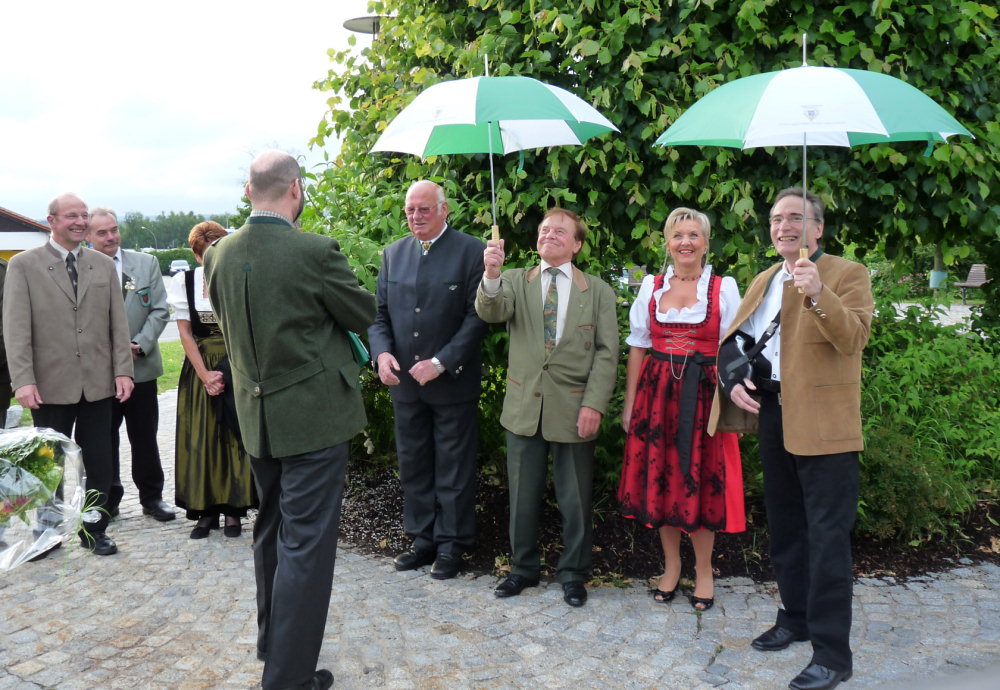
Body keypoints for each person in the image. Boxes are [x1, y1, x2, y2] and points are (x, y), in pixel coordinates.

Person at [205, 150, 375, 690]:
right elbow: (362, 313)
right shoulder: (315, 251)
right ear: (295, 188)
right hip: (314, 421)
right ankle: (287, 678)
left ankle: (272, 645)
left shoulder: (219, 254)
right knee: (306, 546)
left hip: (258, 421)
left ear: (250, 191)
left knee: (271, 533)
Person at [709, 187, 873, 690]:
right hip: (776, 413)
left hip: (826, 423)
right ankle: (796, 617)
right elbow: (736, 340)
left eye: (796, 219)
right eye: (777, 218)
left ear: (817, 229)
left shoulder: (847, 274)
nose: (784, 226)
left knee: (826, 536)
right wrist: (733, 379)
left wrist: (818, 293)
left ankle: (832, 653)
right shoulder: (763, 279)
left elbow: (854, 338)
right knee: (785, 526)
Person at [476, 207, 618, 608]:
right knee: (522, 494)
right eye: (543, 230)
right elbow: (491, 311)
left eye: (560, 231)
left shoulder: (599, 291)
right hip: (524, 406)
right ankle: (523, 568)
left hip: (575, 409)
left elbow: (608, 354)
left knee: (575, 497)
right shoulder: (515, 280)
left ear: (576, 244)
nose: (549, 235)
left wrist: (594, 405)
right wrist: (490, 274)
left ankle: (573, 573)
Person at [618, 207, 744, 612]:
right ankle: (671, 567)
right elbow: (638, 346)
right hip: (656, 398)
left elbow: (736, 347)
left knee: (702, 483)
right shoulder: (651, 286)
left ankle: (704, 572)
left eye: (694, 234)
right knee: (662, 482)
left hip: (705, 398)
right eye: (677, 235)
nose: (685, 242)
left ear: (706, 242)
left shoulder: (723, 287)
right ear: (668, 243)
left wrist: (733, 404)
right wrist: (631, 404)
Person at [368, 180, 487, 580]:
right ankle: (422, 540)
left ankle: (452, 545)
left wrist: (441, 361)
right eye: (410, 210)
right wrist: (382, 353)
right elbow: (379, 315)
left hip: (451, 382)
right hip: (405, 385)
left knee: (453, 467)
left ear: (444, 208)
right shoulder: (393, 254)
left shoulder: (472, 252)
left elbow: (477, 317)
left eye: (424, 209)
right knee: (414, 464)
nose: (416, 216)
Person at [2, 193, 133, 557]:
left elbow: (117, 326)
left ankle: (94, 529)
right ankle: (47, 533)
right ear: (52, 221)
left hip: (98, 384)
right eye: (71, 215)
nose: (79, 221)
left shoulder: (102, 265)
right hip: (48, 385)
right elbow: (16, 328)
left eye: (83, 215)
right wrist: (23, 380)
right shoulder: (24, 266)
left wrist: (123, 371)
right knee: (47, 467)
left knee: (100, 462)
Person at [167, 221, 255, 540]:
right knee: (201, 437)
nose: (213, 258)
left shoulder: (240, 277)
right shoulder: (184, 282)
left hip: (236, 364)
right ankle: (205, 512)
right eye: (206, 254)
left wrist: (230, 371)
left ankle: (234, 510)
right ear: (196, 255)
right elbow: (185, 332)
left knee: (235, 436)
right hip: (200, 368)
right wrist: (205, 375)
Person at [87, 208, 175, 522]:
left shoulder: (146, 263)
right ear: (88, 236)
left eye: (114, 230)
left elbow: (160, 311)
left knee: (145, 437)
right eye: (102, 233)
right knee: (103, 440)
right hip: (100, 373)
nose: (110, 237)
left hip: (142, 368)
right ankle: (108, 500)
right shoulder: (81, 269)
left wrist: (139, 344)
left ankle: (152, 498)